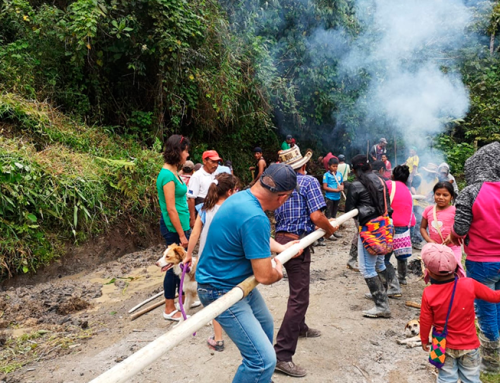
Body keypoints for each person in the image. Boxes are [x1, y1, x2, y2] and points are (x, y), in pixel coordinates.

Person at [196, 163, 301, 383]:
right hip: (220, 289)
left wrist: (282, 248)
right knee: (262, 360)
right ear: (282, 197)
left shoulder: (240, 197)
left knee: (265, 327)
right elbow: (264, 276)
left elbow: (253, 235)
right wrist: (278, 272)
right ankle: (259, 373)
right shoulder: (255, 217)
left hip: (237, 283)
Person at [274, 149, 336, 378]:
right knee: (299, 297)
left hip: (279, 239)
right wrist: (329, 229)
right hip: (297, 243)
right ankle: (282, 355)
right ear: (304, 165)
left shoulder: (278, 183)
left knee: (298, 291)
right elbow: (317, 217)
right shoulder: (308, 181)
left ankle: (300, 327)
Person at [450, 142, 500, 372]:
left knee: (486, 306)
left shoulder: (471, 192)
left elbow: (459, 229)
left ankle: (491, 363)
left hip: (482, 260)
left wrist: (453, 235)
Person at [420, 243, 500, 383]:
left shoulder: (428, 293)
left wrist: (424, 340)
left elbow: (425, 320)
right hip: (469, 345)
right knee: (471, 379)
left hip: (443, 346)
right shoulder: (469, 284)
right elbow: (494, 297)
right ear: (457, 266)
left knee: (446, 379)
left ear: (429, 272)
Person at [186, 173, 237, 352]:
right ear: (230, 191)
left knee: (215, 299)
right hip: (229, 260)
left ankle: (218, 339)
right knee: (233, 294)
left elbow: (194, 234)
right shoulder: (234, 209)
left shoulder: (204, 209)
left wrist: (188, 255)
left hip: (207, 262)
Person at [346, 154, 393, 318]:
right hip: (384, 226)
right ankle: (383, 293)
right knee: (380, 263)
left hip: (369, 230)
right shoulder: (381, 180)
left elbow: (349, 210)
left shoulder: (355, 185)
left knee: (366, 268)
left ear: (355, 169)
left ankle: (381, 306)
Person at [156, 134, 195, 321]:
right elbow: (171, 208)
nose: (187, 155)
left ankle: (184, 299)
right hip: (174, 227)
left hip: (181, 225)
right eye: (186, 151)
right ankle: (169, 307)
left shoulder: (173, 173)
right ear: (177, 151)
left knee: (181, 265)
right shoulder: (166, 176)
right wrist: (181, 234)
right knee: (173, 265)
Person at [420, 181, 465, 279]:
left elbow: (462, 228)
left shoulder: (456, 211)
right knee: (435, 273)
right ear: (434, 195)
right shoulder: (429, 210)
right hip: (435, 250)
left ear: (451, 197)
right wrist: (429, 240)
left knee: (452, 272)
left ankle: (453, 291)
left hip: (452, 249)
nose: (440, 197)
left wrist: (453, 235)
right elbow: (422, 228)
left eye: (445, 195)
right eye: (438, 194)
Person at [383, 165, 415, 296]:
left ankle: (394, 286)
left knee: (383, 259)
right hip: (407, 225)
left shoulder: (389, 184)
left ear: (393, 175)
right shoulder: (408, 190)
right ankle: (402, 278)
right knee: (401, 254)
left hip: (392, 225)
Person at [188, 150, 221, 227]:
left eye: (217, 162)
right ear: (205, 161)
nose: (215, 165)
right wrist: (193, 219)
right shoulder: (197, 176)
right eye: (213, 162)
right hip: (202, 213)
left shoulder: (217, 175)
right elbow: (191, 199)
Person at [411, 163, 439, 250]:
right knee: (418, 221)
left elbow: (435, 190)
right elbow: (412, 187)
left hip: (428, 204)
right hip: (417, 202)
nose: (432, 174)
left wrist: (431, 195)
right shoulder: (419, 177)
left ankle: (420, 239)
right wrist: (416, 195)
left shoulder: (436, 180)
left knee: (427, 223)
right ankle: (415, 241)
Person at [322, 157, 344, 236]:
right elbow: (324, 187)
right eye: (333, 166)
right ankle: (329, 232)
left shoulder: (339, 174)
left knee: (334, 215)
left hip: (337, 197)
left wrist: (342, 188)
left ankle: (334, 231)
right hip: (329, 198)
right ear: (329, 166)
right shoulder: (326, 175)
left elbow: (342, 184)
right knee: (328, 215)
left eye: (336, 166)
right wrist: (336, 190)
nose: (335, 168)